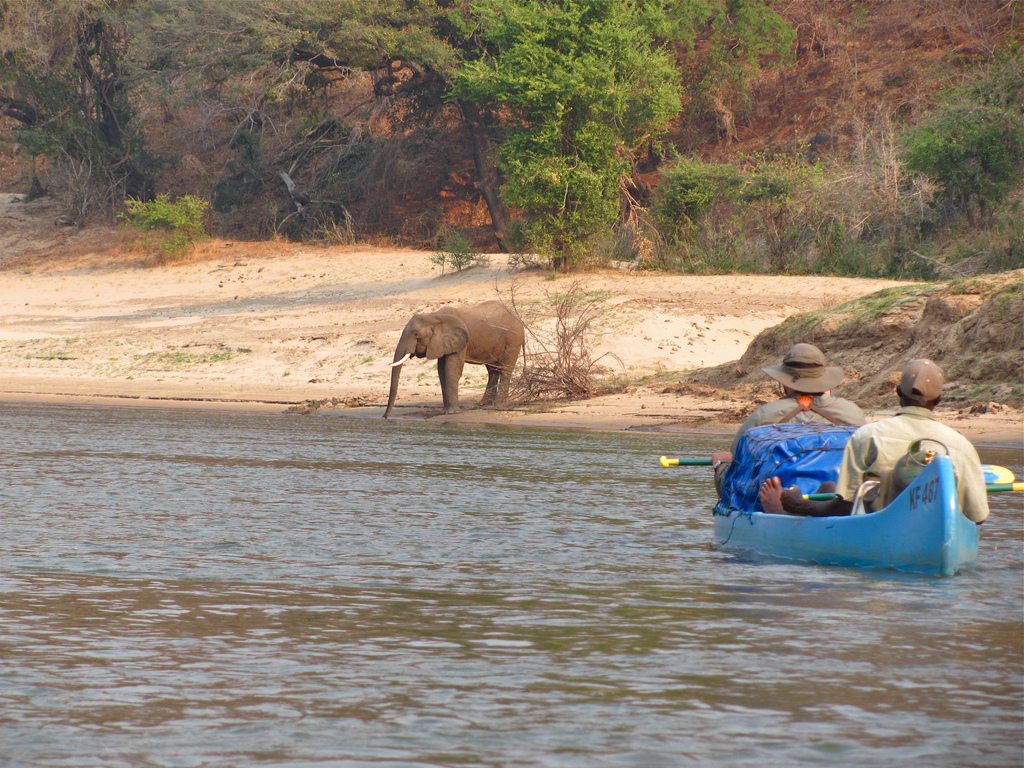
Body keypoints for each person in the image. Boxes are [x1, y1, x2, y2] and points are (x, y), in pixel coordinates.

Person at [759, 358, 990, 523]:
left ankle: (783, 515)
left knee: (832, 490)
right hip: (935, 525)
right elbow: (977, 518)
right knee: (829, 487)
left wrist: (798, 503)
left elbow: (844, 508)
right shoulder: (962, 446)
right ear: (938, 399)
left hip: (880, 526)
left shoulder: (867, 436)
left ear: (898, 392)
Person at [712, 343, 866, 492]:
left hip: (776, 501)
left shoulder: (763, 416)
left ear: (783, 381)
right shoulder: (853, 413)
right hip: (843, 500)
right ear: (823, 379)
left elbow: (735, 477)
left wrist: (721, 464)